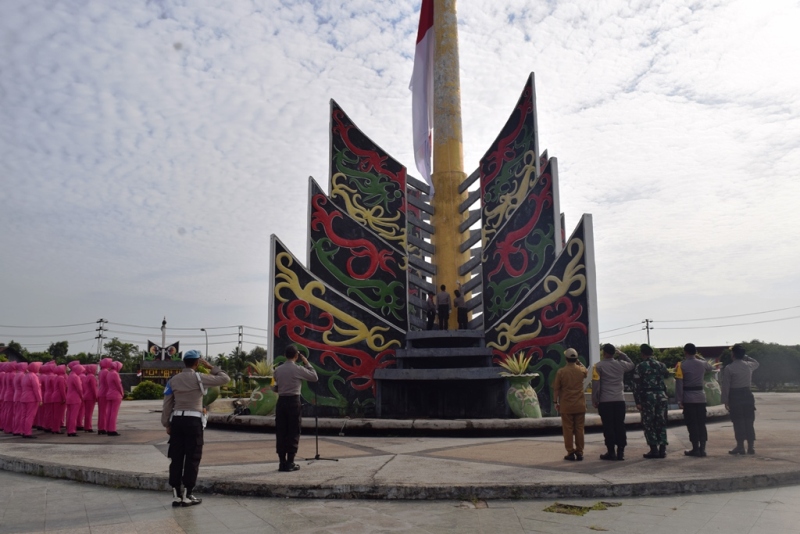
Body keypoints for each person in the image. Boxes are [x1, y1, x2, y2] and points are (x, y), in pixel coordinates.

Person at [162, 350, 229, 507]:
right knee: (192, 457)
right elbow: (225, 378)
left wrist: (166, 423)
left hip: (177, 420)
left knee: (176, 456)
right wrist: (212, 367)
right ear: (197, 363)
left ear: (184, 362)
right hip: (193, 421)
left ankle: (176, 494)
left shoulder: (173, 380)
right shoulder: (200, 378)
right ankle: (188, 494)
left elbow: (167, 403)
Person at [273, 345, 318, 472]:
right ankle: (290, 462)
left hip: (281, 402)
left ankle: (282, 462)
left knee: (281, 431)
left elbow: (275, 386)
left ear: (285, 355)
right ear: (296, 356)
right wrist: (307, 363)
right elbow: (314, 377)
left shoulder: (278, 370)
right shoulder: (297, 369)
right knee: (293, 431)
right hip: (293, 401)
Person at [592, 344, 634, 460]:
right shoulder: (621, 364)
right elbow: (632, 364)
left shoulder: (598, 366)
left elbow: (596, 385)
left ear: (604, 353)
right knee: (620, 425)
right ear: (613, 353)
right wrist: (622, 354)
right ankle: (621, 451)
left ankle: (611, 452)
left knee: (608, 427)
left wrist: (595, 400)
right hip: (619, 400)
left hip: (605, 401)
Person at [675, 343, 714, 457]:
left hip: (688, 398)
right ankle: (703, 449)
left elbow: (679, 384)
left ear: (685, 352)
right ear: (695, 352)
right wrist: (700, 358)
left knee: (692, 424)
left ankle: (695, 449)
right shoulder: (702, 363)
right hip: (701, 397)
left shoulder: (681, 365)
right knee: (701, 423)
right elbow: (711, 367)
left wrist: (679, 400)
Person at [722, 344, 760, 455]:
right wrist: (745, 356)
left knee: (738, 422)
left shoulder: (729, 368)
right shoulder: (749, 365)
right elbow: (757, 363)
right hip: (747, 395)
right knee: (749, 421)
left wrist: (725, 400)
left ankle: (740, 447)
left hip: (735, 396)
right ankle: (751, 447)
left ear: (733, 354)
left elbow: (726, 386)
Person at [633, 344, 669, 459]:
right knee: (661, 421)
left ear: (642, 354)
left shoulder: (640, 366)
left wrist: (637, 401)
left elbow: (636, 385)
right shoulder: (661, 365)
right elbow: (666, 377)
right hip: (661, 395)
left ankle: (654, 449)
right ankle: (662, 449)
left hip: (648, 397)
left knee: (649, 423)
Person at [552, 348, 587, 461]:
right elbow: (585, 370)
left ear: (566, 359)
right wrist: (578, 362)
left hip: (566, 405)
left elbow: (556, 389)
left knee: (567, 429)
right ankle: (580, 452)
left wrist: (555, 402)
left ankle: (570, 452)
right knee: (579, 429)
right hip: (580, 405)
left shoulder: (561, 372)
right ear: (576, 359)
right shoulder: (581, 370)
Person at [65, 361, 85, 437]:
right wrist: (82, 396)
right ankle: (72, 430)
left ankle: (69, 429)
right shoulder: (76, 377)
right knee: (74, 415)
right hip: (75, 398)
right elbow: (79, 389)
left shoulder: (70, 375)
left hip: (69, 397)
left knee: (70, 415)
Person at [105, 361, 124, 436]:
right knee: (114, 413)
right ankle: (112, 429)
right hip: (116, 394)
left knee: (109, 412)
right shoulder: (115, 374)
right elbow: (118, 385)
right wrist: (122, 393)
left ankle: (108, 428)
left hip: (109, 394)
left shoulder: (109, 373)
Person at [81, 364, 98, 433]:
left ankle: (86, 426)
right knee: (89, 413)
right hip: (90, 396)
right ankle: (88, 427)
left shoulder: (87, 376)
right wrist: (96, 396)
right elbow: (94, 388)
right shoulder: (92, 377)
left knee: (87, 413)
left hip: (86, 395)